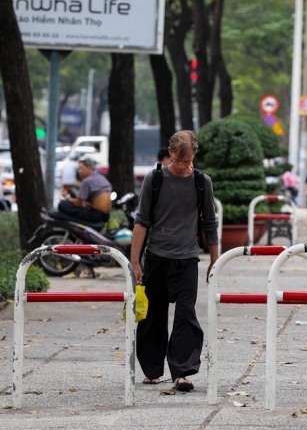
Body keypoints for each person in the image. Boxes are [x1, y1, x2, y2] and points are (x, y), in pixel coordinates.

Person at [130, 130, 219, 391]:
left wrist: (215, 260)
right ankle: (152, 369)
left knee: (185, 314)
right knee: (153, 316)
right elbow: (141, 221)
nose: (182, 167)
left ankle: (181, 372)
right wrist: (135, 262)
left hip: (187, 258)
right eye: (178, 161)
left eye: (188, 161)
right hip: (157, 257)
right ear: (170, 153)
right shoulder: (154, 180)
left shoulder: (202, 182)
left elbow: (210, 224)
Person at [58, 158, 112, 223]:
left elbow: (77, 204)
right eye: (78, 169)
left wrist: (67, 197)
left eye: (81, 168)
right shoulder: (102, 178)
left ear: (89, 168)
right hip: (106, 216)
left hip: (95, 215)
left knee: (63, 204)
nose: (79, 171)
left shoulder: (86, 181)